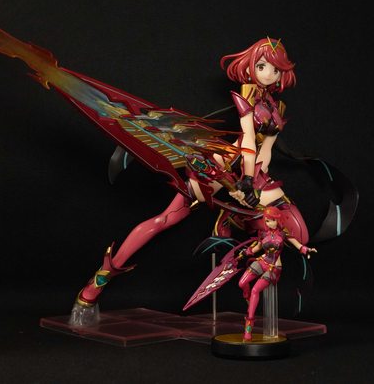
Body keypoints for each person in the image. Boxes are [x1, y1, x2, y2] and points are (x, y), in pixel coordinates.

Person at [70, 37, 305, 326]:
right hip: (221, 168)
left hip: (250, 172)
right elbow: (246, 142)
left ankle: (247, 256)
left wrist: (254, 178)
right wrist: (244, 180)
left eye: (275, 69)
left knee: (286, 219)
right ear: (249, 68)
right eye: (262, 66)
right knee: (166, 219)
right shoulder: (245, 97)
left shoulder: (276, 106)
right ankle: (97, 283)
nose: (269, 74)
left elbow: (265, 149)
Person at [237, 205, 317, 341]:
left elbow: (297, 245)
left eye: (272, 220)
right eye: (267, 221)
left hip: (274, 267)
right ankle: (247, 296)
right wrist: (244, 253)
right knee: (241, 283)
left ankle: (249, 325)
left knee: (256, 290)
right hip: (262, 261)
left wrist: (306, 249)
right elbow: (256, 248)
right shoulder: (263, 233)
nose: (270, 223)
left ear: (278, 220)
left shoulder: (283, 234)